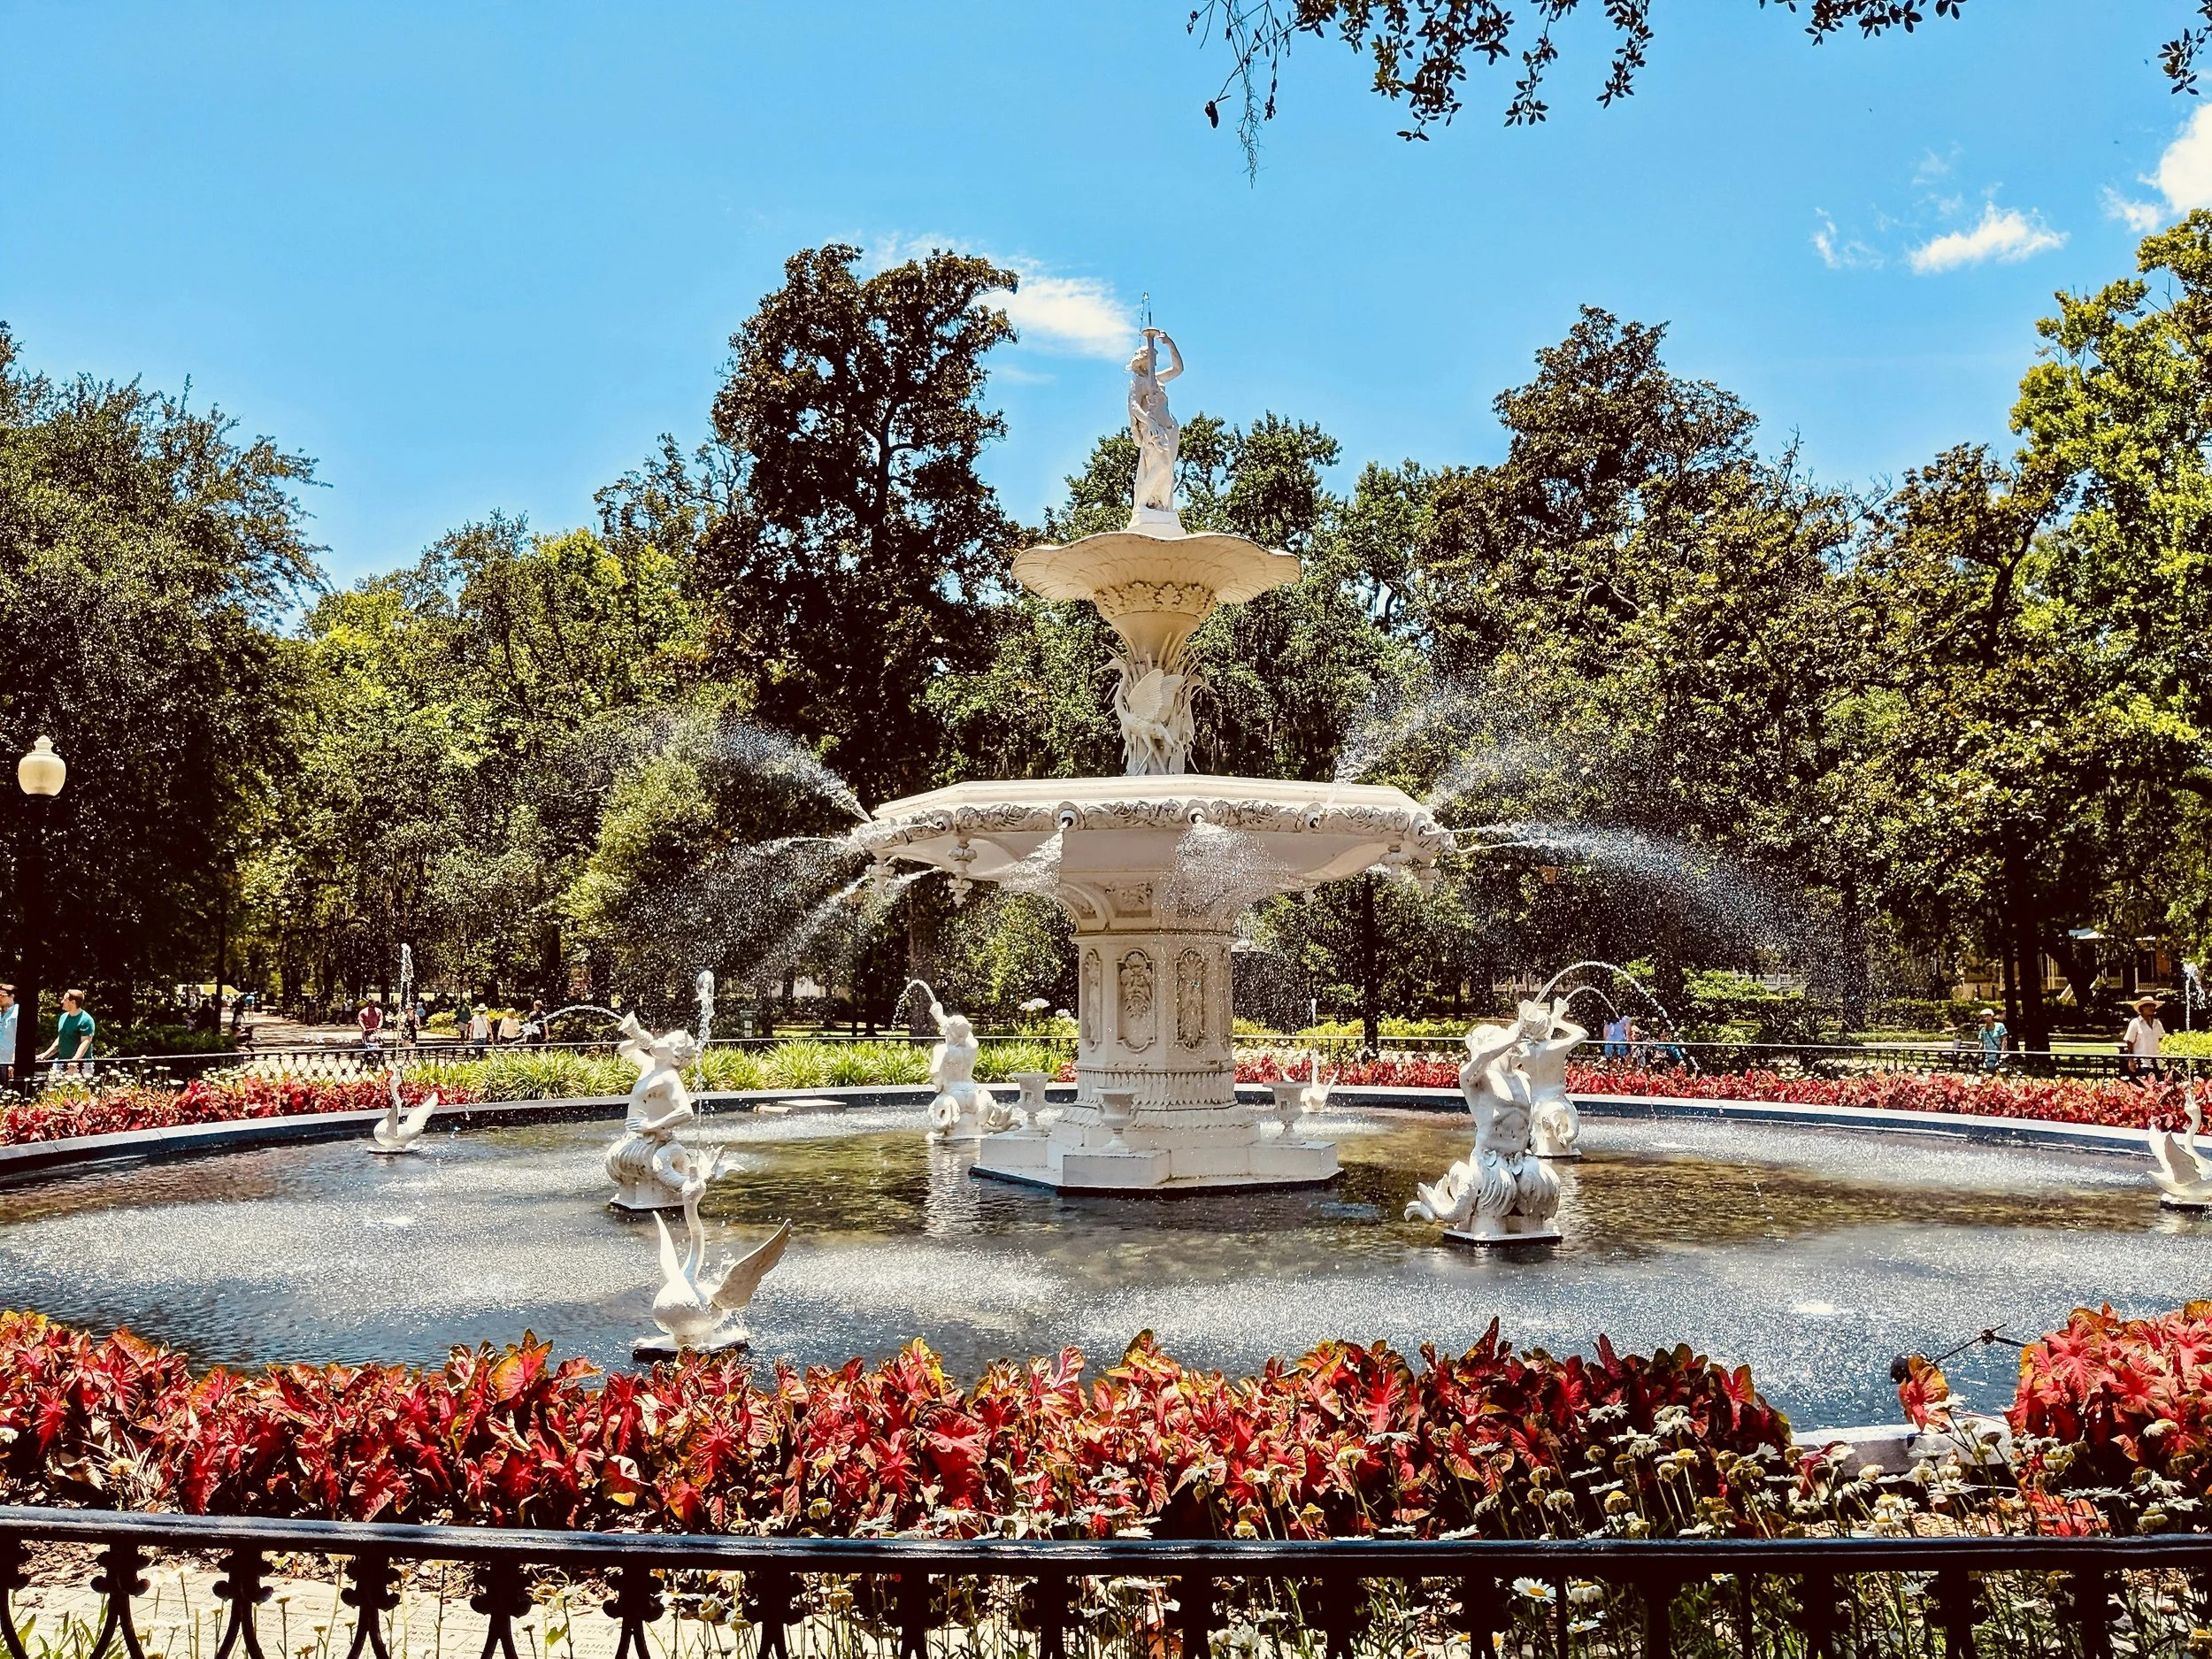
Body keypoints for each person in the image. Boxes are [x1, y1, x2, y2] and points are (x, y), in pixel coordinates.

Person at [38, 988, 95, 1077]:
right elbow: (61, 1038)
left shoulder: (86, 1020)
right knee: (54, 1089)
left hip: (81, 1064)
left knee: (80, 1090)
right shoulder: (63, 1017)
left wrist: (74, 1060)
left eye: (65, 1000)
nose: (62, 1001)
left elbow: (85, 1042)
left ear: (73, 1002)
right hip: (62, 1061)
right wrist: (45, 1055)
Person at [2122, 995, 2167, 1084]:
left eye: (2153, 1006)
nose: (2151, 1008)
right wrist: (2131, 1061)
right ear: (2142, 1009)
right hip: (2141, 1062)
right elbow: (2129, 1042)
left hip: (2156, 1062)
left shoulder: (2157, 1023)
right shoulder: (2135, 1023)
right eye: (2148, 1006)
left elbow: (2161, 1039)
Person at [1975, 1008, 2008, 1075]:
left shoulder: (2000, 1026)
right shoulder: (1983, 1029)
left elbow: (2004, 1040)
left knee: (2002, 1074)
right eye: (1983, 1016)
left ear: (1991, 1016)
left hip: (1999, 1054)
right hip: (1988, 1056)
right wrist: (1978, 1054)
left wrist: (2002, 1053)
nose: (1985, 1018)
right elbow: (1981, 1043)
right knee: (1988, 1074)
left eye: (1986, 1016)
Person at [0, 983, 15, 1085]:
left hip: (8, 1062)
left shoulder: (17, 1014)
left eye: (2, 995)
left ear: (12, 996)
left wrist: (13, 1062)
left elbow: (20, 1040)